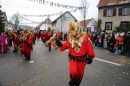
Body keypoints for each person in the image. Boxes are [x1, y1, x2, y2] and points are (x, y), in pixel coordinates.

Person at [56, 21, 95, 86]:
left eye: (74, 30)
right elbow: (65, 46)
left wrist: (90, 56)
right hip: (73, 59)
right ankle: (72, 80)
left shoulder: (85, 36)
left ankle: (77, 84)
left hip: (82, 60)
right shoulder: (70, 37)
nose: (73, 32)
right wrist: (60, 45)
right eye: (71, 31)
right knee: (73, 71)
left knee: (80, 74)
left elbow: (89, 47)